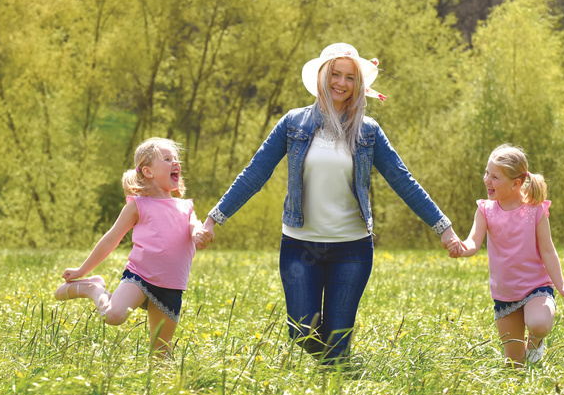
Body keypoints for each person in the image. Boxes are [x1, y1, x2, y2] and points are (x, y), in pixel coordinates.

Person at [194, 42, 461, 364]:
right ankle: (334, 370)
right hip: (299, 245)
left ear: (359, 84)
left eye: (350, 77)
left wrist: (443, 228)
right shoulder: (293, 123)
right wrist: (213, 219)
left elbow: (403, 181)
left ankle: (336, 385)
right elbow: (255, 173)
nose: (342, 83)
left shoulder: (368, 131)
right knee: (300, 330)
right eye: (336, 74)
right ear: (322, 76)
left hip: (352, 248)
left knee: (336, 344)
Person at [54, 138, 208, 356]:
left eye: (176, 159)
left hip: (172, 287)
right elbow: (111, 239)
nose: (175, 163)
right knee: (113, 316)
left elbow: (195, 228)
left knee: (161, 349)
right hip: (140, 277)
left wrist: (199, 234)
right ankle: (93, 288)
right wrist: (81, 271)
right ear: (148, 171)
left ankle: (161, 386)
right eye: (167, 159)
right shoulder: (138, 205)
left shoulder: (186, 207)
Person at [448, 144, 564, 366]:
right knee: (514, 364)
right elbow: (473, 242)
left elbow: (548, 249)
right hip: (505, 293)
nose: (487, 179)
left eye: (495, 177)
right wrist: (461, 248)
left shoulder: (534, 209)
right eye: (487, 172)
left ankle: (536, 341)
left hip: (536, 286)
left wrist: (562, 286)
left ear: (516, 183)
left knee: (539, 324)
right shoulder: (485, 210)